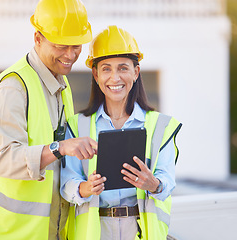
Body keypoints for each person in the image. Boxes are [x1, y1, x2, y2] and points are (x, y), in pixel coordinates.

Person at [0, 0, 97, 239]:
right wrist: (61, 148)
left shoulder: (61, 85)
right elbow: (5, 160)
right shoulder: (13, 87)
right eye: (61, 45)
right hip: (3, 233)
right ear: (38, 38)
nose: (71, 54)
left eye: (76, 45)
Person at [60, 25, 182, 240]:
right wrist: (85, 188)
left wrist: (152, 184)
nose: (115, 78)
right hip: (96, 231)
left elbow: (167, 182)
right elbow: (66, 184)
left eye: (123, 68)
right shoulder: (77, 125)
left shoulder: (160, 126)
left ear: (136, 72)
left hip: (139, 231)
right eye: (106, 68)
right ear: (96, 75)